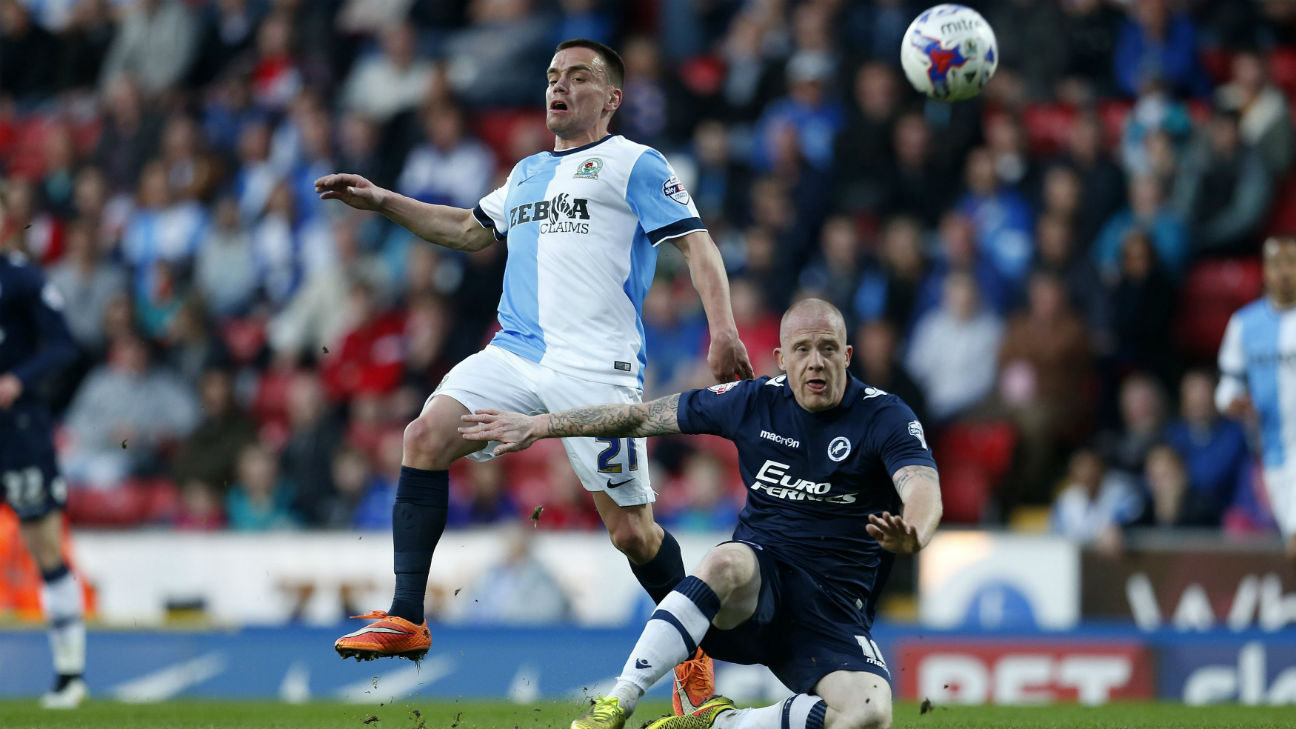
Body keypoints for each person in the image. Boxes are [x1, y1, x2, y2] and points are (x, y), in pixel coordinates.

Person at [316, 39, 754, 713]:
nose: (560, 86)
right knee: (424, 435)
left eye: (579, 77)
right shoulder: (523, 173)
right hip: (515, 351)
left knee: (632, 532)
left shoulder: (635, 162)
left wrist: (722, 329)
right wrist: (382, 201)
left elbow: (697, 243)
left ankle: (693, 654)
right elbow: (467, 229)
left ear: (610, 98)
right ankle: (407, 615)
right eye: (553, 76)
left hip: (596, 366)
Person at [460, 299, 942, 729]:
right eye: (801, 349)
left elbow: (921, 486)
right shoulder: (755, 401)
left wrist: (914, 533)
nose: (815, 361)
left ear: (848, 355)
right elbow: (640, 417)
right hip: (757, 594)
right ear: (781, 360)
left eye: (828, 348)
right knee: (728, 560)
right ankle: (615, 705)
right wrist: (541, 425)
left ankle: (717, 723)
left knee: (870, 712)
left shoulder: (885, 416)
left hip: (833, 616)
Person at [0, 204, 87, 707]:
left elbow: (62, 345)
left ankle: (70, 676)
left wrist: (18, 381)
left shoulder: (21, 278)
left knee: (44, 547)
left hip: (19, 429)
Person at [1217, 236, 1296, 561]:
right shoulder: (1243, 324)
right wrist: (1233, 403)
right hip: (1276, 454)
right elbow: (1228, 385)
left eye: (1292, 263)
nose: (1284, 273)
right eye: (1276, 265)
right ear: (1264, 270)